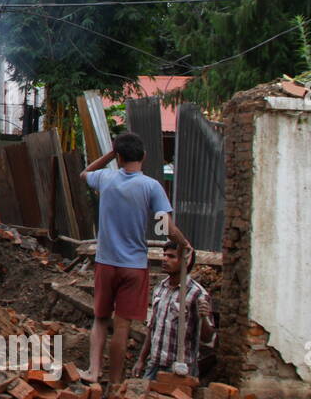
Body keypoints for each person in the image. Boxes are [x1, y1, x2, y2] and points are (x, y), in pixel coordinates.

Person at [79, 131, 191, 385]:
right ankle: (116, 383)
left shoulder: (105, 178)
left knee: (100, 319)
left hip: (106, 262)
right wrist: (184, 243)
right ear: (144, 156)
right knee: (122, 326)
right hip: (134, 266)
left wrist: (110, 154)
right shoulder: (151, 186)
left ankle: (94, 372)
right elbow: (165, 226)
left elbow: (84, 173)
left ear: (117, 157)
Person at [134, 241, 215, 379]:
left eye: (171, 256)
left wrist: (204, 317)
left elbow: (208, 338)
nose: (165, 259)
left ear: (186, 262)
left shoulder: (197, 294)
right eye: (164, 255)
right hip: (154, 364)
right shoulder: (160, 288)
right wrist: (141, 359)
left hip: (180, 369)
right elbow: (152, 328)